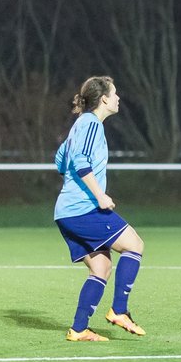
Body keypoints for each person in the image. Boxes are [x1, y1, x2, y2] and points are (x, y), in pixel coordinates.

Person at [53, 76, 147, 342]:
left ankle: (79, 328)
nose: (118, 98)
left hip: (67, 213)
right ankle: (119, 311)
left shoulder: (78, 127)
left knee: (101, 268)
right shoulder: (92, 123)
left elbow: (61, 162)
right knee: (134, 245)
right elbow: (80, 160)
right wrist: (99, 195)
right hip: (83, 210)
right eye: (115, 94)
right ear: (104, 98)